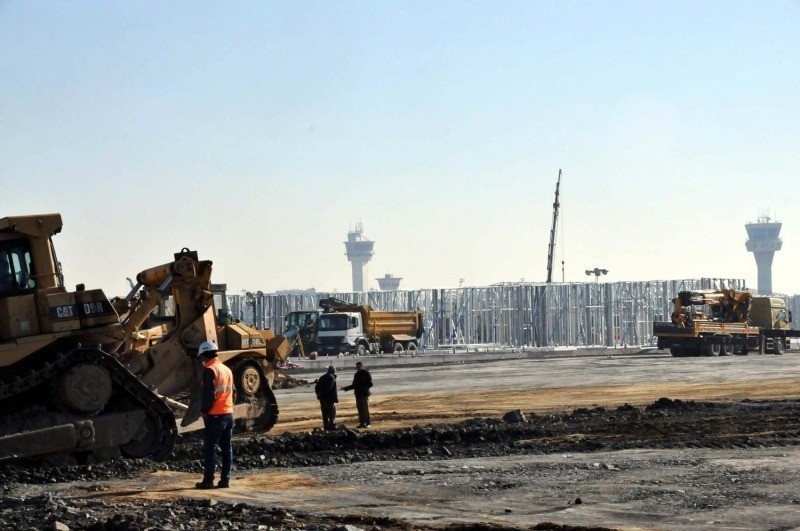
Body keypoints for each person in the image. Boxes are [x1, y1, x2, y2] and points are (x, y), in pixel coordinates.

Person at [195, 340, 236, 489]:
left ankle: (208, 481)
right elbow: (234, 392)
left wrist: (205, 411)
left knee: (210, 449)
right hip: (228, 414)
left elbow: (209, 395)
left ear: (205, 356)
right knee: (227, 448)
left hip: (215, 416)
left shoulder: (210, 370)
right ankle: (225, 480)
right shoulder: (226, 369)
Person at [341, 361, 373, 428]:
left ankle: (367, 423)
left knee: (365, 409)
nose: (358, 368)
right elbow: (354, 385)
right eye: (357, 367)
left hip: (364, 394)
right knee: (360, 409)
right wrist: (345, 388)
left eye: (359, 366)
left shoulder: (366, 373)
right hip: (358, 394)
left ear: (362, 366)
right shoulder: (356, 374)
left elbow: (370, 384)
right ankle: (361, 423)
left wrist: (364, 389)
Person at [315, 365, 338, 430]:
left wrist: (319, 395)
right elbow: (329, 388)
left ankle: (326, 426)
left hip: (322, 398)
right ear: (334, 371)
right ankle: (332, 426)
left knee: (324, 413)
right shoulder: (332, 378)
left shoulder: (322, 377)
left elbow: (316, 387)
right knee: (332, 413)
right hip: (329, 399)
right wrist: (326, 396)